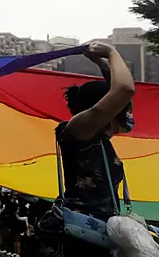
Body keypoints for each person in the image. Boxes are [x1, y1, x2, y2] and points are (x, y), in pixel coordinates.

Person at [56, 41, 135, 257]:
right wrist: (111, 52)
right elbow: (124, 89)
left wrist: (100, 63)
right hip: (83, 239)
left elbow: (118, 91)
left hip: (102, 237)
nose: (126, 116)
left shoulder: (99, 139)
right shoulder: (76, 132)